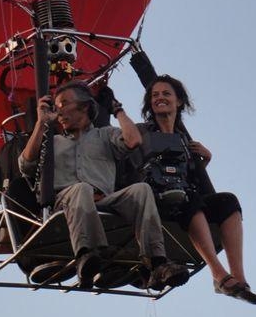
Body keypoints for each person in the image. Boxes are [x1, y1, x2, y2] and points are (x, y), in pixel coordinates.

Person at [18, 80, 189, 290]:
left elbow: (134, 141)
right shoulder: (53, 142)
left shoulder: (105, 134)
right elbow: (25, 165)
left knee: (142, 190)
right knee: (82, 188)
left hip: (104, 200)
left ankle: (157, 264)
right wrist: (41, 123)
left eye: (63, 104)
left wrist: (117, 110)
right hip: (66, 202)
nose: (58, 111)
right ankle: (88, 254)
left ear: (84, 106)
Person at [136, 74, 256, 305]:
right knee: (190, 199)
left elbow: (186, 177)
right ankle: (218, 275)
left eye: (166, 94)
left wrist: (204, 161)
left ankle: (239, 277)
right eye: (155, 95)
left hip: (183, 198)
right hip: (153, 201)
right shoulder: (142, 132)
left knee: (228, 201)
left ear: (179, 101)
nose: (160, 98)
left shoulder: (185, 142)